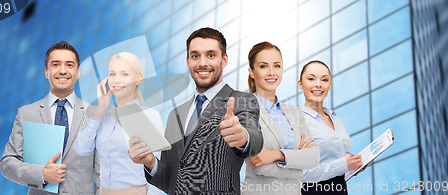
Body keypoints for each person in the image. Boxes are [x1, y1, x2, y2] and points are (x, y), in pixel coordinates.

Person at [128, 27, 263, 194]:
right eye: (195, 56)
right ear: (188, 61)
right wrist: (149, 162)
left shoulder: (241, 101)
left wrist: (243, 136)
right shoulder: (175, 114)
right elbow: (169, 180)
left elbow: (255, 139)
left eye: (211, 55)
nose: (202, 63)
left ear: (224, 60)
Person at [0, 41, 100, 194]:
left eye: (69, 65)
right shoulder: (26, 114)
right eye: (55, 65)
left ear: (78, 72)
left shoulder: (95, 114)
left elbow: (102, 171)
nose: (62, 70)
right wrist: (42, 174)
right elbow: (7, 163)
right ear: (46, 72)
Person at [74, 52, 164, 195]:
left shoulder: (150, 116)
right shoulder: (102, 118)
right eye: (112, 74)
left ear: (138, 78)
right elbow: (81, 149)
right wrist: (101, 108)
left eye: (124, 74)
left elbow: (160, 172)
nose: (116, 80)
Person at [241, 42, 320, 195]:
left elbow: (314, 157)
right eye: (263, 66)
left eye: (276, 66)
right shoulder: (245, 110)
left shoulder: (295, 113)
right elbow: (261, 166)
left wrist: (275, 155)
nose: (271, 72)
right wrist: (299, 167)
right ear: (251, 72)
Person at [298, 60, 363, 195]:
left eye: (324, 80)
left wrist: (353, 166)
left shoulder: (337, 120)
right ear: (300, 84)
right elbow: (301, 173)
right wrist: (343, 165)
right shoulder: (297, 121)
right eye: (311, 79)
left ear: (330, 85)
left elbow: (337, 164)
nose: (318, 84)